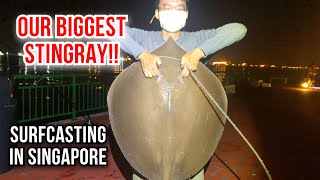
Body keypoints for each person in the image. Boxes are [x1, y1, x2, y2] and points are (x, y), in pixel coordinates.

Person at [115, 0, 247, 179]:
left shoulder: (197, 39)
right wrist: (141, 53)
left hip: (188, 134)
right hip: (148, 133)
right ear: (157, 13)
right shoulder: (143, 38)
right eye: (166, 7)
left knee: (189, 169)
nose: (172, 11)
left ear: (186, 14)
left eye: (179, 8)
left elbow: (239, 29)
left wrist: (199, 52)